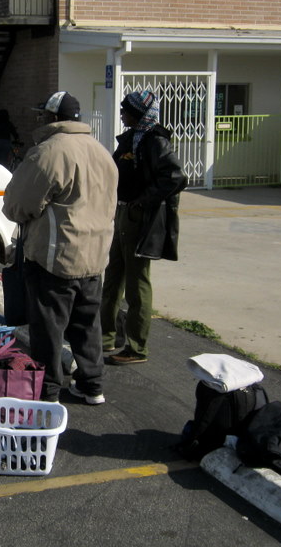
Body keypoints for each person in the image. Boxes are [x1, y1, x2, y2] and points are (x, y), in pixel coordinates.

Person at [2, 91, 118, 405]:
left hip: (56, 258)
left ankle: (48, 390)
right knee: (87, 324)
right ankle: (92, 385)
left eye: (43, 114)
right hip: (94, 257)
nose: (39, 119)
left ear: (54, 118)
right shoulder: (102, 152)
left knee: (48, 329)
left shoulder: (49, 152)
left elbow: (17, 205)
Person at [101, 90, 188, 365]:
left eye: (126, 110)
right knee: (112, 278)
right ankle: (105, 337)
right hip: (122, 213)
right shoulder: (131, 139)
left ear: (139, 114)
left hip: (139, 220)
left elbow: (175, 176)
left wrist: (142, 203)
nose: (122, 114)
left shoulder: (155, 141)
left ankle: (136, 348)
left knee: (137, 285)